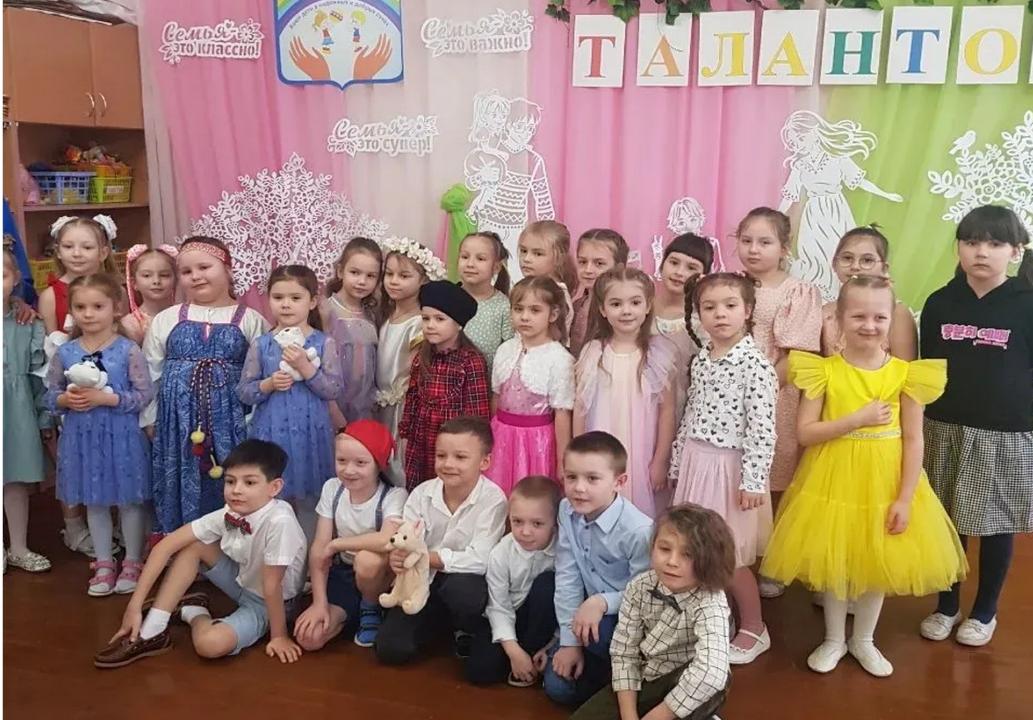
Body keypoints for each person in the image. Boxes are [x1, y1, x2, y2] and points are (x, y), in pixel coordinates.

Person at [761, 276, 967, 676]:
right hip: (832, 478)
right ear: (839, 319)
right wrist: (857, 419)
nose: (869, 325)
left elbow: (914, 439)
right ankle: (834, 639)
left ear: (892, 320)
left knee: (876, 561)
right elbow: (806, 432)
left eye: (879, 317)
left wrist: (905, 497)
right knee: (836, 562)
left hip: (886, 480)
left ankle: (864, 639)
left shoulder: (906, 375)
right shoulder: (823, 371)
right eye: (858, 316)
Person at [918, 205, 1033, 648]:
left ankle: (985, 612)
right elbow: (927, 369)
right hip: (943, 426)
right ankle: (946, 606)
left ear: (1015, 252)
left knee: (996, 523)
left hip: (1005, 431)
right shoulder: (939, 303)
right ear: (959, 249)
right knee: (948, 520)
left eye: (994, 243)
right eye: (971, 242)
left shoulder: (1026, 304)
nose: (981, 252)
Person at [94, 440, 307, 667]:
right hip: (244, 583)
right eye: (230, 481)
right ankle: (152, 631)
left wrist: (279, 636)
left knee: (209, 645)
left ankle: (195, 612)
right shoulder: (230, 512)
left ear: (274, 488)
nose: (236, 490)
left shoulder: (280, 521)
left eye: (249, 482)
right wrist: (134, 606)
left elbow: (272, 585)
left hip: (273, 603)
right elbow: (165, 546)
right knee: (194, 545)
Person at [669, 273, 778, 664]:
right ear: (698, 314)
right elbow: (691, 413)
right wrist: (678, 461)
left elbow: (762, 429)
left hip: (730, 469)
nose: (720, 314)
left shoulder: (756, 365)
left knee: (729, 556)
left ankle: (755, 627)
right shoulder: (703, 358)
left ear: (747, 310)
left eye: (730, 306)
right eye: (709, 307)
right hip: (697, 462)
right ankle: (713, 621)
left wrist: (753, 481)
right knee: (697, 550)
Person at [144, 237, 268, 531]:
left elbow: (261, 376)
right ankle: (182, 544)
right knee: (181, 477)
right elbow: (150, 373)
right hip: (177, 424)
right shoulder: (166, 319)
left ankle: (233, 546)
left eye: (204, 267)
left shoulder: (251, 320)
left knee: (232, 478)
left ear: (228, 270)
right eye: (186, 272)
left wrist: (254, 421)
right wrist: (150, 419)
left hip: (232, 422)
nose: (196, 276)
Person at [572, 504, 735, 720]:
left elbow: (711, 673)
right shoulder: (639, 586)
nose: (672, 562)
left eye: (688, 554)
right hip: (647, 677)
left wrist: (656, 716)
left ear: (709, 560)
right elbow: (624, 652)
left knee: (714, 682)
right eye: (664, 549)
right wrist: (629, 715)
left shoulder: (711, 599)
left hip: (685, 682)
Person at [44, 274, 153, 595]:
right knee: (95, 501)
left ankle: (132, 560)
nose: (88, 313)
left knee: (130, 501)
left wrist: (110, 399)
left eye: (97, 306)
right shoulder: (66, 352)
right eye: (80, 307)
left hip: (122, 437)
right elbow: (50, 394)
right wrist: (64, 400)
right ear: (72, 311)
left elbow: (144, 394)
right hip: (83, 439)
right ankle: (104, 562)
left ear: (115, 308)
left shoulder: (128, 350)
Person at [735, 207, 822, 598]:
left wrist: (758, 390)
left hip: (774, 398)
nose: (754, 249)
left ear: (784, 248)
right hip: (727, 397)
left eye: (765, 242)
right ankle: (737, 553)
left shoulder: (797, 291)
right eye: (746, 240)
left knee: (773, 476)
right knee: (735, 471)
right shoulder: (730, 284)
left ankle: (774, 560)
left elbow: (796, 355)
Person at [376, 417, 508, 665]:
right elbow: (407, 539)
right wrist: (398, 557)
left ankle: (465, 627)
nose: (448, 464)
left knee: (464, 592)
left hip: (463, 580)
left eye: (460, 457)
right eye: (441, 455)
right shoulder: (421, 494)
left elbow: (481, 559)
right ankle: (436, 623)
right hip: (421, 581)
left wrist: (427, 557)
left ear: (485, 462)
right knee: (391, 650)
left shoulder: (494, 500)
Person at [544, 431, 653, 709]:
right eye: (571, 477)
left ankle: (635, 679)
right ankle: (602, 673)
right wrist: (569, 643)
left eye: (592, 479)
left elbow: (645, 594)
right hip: (588, 613)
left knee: (600, 634)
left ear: (619, 482)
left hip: (629, 619)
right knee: (558, 689)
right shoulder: (566, 510)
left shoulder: (639, 531)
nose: (579, 488)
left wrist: (602, 602)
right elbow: (567, 576)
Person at [237, 265, 342, 541]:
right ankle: (272, 554)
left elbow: (333, 388)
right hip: (271, 432)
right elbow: (244, 391)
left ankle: (309, 556)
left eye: (295, 298)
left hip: (311, 433)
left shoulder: (323, 343)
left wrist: (306, 369)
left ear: (312, 301)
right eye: (278, 297)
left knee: (310, 499)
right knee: (272, 498)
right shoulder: (262, 344)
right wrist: (268, 384)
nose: (286, 304)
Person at [38, 214, 119, 557]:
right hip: (72, 390)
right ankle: (74, 526)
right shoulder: (50, 295)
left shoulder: (115, 289)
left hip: (111, 388)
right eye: (69, 246)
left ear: (103, 250)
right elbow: (52, 348)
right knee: (72, 460)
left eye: (86, 246)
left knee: (111, 455)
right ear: (57, 250)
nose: (77, 253)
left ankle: (115, 522)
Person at [294, 420, 407, 650]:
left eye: (361, 463)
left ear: (379, 464)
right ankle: (351, 613)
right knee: (309, 638)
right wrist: (319, 603)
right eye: (342, 461)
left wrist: (337, 544)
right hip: (344, 574)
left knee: (367, 560)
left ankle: (371, 608)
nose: (349, 470)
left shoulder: (394, 495)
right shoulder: (332, 488)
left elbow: (386, 539)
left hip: (381, 576)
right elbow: (319, 548)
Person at [575, 268, 677, 519]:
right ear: (603, 309)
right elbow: (581, 409)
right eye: (616, 304)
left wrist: (660, 460)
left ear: (648, 305)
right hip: (601, 446)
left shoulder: (658, 354)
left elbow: (667, 411)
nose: (626, 311)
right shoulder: (593, 353)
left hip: (643, 450)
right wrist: (578, 456)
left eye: (635, 302)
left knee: (639, 514)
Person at [466, 475, 560, 687]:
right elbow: (498, 606)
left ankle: (536, 654)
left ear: (555, 524)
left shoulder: (563, 551)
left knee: (548, 584)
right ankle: (520, 660)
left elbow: (567, 601)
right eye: (517, 521)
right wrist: (513, 651)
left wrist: (553, 643)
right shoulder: (501, 553)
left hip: (542, 620)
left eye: (537, 524)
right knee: (480, 672)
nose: (525, 532)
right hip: (507, 614)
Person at [486, 276, 575, 493]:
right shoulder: (505, 349)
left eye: (535, 310)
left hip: (537, 443)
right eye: (518, 309)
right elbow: (496, 397)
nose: (525, 317)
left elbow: (562, 413)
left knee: (532, 497)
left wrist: (563, 461)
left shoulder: (559, 358)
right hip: (501, 437)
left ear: (552, 314)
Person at [399, 281, 490, 489]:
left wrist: (470, 448)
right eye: (426, 318)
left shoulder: (471, 361)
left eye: (439, 319)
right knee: (422, 490)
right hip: (421, 439)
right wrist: (405, 435)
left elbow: (478, 415)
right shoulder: (421, 357)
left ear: (458, 324)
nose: (430, 325)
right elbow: (412, 399)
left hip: (454, 445)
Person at [375, 238, 445, 484]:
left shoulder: (419, 323)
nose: (394, 281)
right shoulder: (385, 314)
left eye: (404, 276)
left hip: (403, 408)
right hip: (380, 405)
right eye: (389, 274)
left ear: (423, 279)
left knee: (399, 464)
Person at [3, 246, 51, 572]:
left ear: (16, 278)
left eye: (2, 275)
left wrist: (44, 418)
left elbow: (38, 375)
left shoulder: (28, 323)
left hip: (16, 411)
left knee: (16, 480)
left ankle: (18, 547)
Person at [820, 226, 917, 359]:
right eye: (847, 258)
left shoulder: (897, 313)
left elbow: (905, 366)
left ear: (884, 268)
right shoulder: (825, 312)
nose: (855, 266)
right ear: (834, 264)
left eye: (867, 260)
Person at [322, 236, 383, 427]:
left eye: (370, 276)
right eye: (355, 272)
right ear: (340, 271)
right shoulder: (326, 311)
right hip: (332, 406)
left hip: (364, 407)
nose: (362, 281)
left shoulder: (372, 315)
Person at [653, 233, 714, 419]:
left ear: (703, 276)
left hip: (682, 412)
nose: (679, 272)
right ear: (662, 264)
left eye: (691, 267)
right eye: (674, 262)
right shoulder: (640, 307)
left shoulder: (702, 322)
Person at [458, 231, 514, 375]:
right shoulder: (447, 297)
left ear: (496, 267)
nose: (470, 264)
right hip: (447, 379)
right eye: (465, 257)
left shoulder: (503, 306)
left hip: (485, 382)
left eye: (480, 259)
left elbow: (510, 349)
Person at [571, 228, 628, 356]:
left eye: (599, 263)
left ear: (619, 268)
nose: (588, 270)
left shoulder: (621, 310)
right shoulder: (576, 306)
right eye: (582, 262)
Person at [517, 220, 578, 337]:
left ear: (559, 258)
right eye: (524, 251)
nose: (526, 259)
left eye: (538, 254)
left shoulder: (557, 293)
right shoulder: (529, 287)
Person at [121, 244, 178, 345]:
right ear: (134, 283)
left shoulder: (185, 316)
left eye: (164, 275)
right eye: (147, 275)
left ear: (175, 280)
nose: (156, 281)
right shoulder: (130, 325)